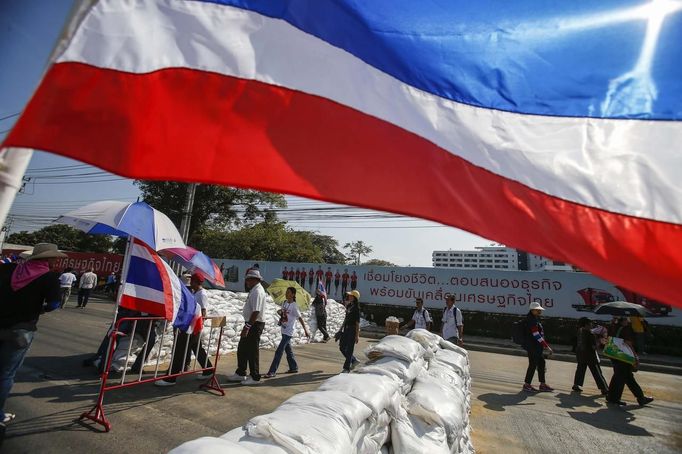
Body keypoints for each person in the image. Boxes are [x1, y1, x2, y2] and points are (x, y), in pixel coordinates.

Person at [0, 243, 64, 435]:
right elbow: (53, 304)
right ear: (49, 259)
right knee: (5, 374)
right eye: (55, 258)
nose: (57, 261)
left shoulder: (9, 268)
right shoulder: (49, 278)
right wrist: (40, 309)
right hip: (21, 330)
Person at [156, 274, 212, 386]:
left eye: (192, 281)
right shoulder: (195, 293)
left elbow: (203, 313)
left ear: (196, 282)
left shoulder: (202, 294)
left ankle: (171, 378)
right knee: (197, 349)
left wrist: (196, 327)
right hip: (190, 327)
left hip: (192, 328)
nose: (190, 283)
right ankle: (209, 369)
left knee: (180, 350)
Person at [226, 269, 267, 384]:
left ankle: (255, 377)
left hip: (254, 324)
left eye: (248, 280)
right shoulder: (254, 290)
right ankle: (241, 372)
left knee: (252, 351)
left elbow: (256, 312)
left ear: (254, 280)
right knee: (242, 348)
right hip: (251, 323)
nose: (247, 282)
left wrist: (247, 327)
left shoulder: (258, 291)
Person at [606, 317, 654, 406]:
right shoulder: (626, 329)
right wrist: (635, 356)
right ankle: (615, 398)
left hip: (614, 355)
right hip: (624, 356)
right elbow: (628, 343)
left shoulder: (613, 326)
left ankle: (612, 396)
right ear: (623, 320)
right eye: (627, 319)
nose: (628, 321)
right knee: (623, 376)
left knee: (622, 376)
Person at [263, 287, 310, 378]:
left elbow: (300, 318)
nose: (286, 294)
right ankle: (294, 367)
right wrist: (280, 312)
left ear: (293, 294)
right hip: (283, 329)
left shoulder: (294, 306)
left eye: (288, 292)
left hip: (289, 331)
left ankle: (272, 371)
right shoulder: (285, 303)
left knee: (279, 351)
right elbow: (284, 313)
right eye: (286, 292)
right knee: (288, 350)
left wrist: (305, 330)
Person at [522, 302, 554, 392]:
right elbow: (536, 334)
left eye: (540, 310)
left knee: (541, 363)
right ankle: (527, 384)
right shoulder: (531, 320)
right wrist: (546, 346)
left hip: (536, 347)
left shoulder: (534, 318)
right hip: (533, 347)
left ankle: (542, 384)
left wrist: (543, 345)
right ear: (532, 310)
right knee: (532, 365)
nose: (540, 311)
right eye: (538, 310)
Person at [572, 317, 608, 394]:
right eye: (590, 323)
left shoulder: (579, 331)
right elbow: (594, 347)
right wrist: (600, 342)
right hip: (590, 356)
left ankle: (576, 384)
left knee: (580, 370)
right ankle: (604, 388)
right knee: (597, 372)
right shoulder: (590, 334)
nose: (591, 325)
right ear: (586, 325)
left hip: (580, 354)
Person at [337, 290, 361, 373]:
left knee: (350, 349)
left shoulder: (357, 309)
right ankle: (353, 360)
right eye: (349, 295)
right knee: (342, 347)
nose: (349, 296)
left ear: (355, 298)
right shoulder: (349, 306)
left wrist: (357, 335)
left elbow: (357, 323)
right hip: (346, 329)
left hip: (353, 329)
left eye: (351, 296)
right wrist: (340, 329)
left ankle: (346, 368)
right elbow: (346, 319)